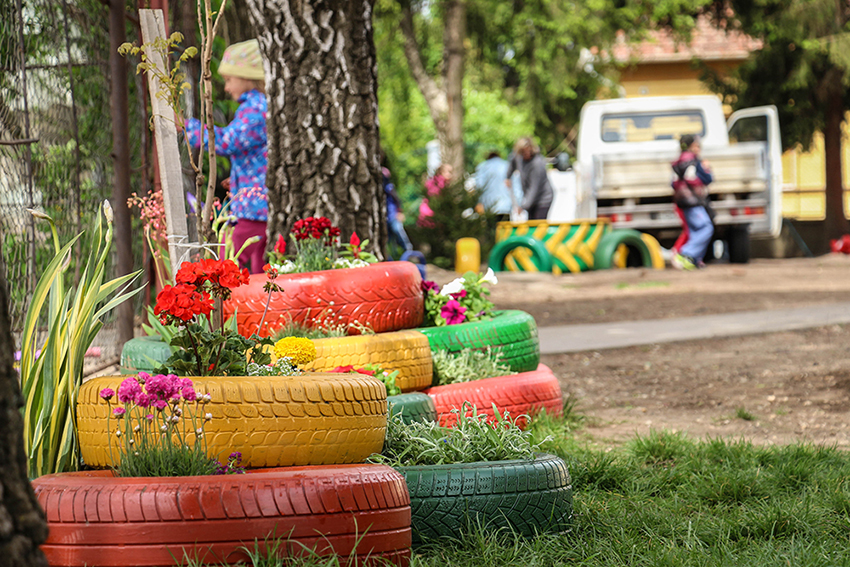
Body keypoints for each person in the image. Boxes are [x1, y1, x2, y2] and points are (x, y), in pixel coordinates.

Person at [184, 39, 269, 274]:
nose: (227, 88)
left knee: (226, 264)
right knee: (258, 266)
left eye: (230, 80)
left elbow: (225, 142)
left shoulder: (255, 109)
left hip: (254, 208)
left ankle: (230, 308)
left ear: (248, 78)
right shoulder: (258, 106)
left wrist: (187, 128)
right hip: (256, 205)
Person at [671, 134, 714, 270]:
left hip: (683, 200)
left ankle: (693, 260)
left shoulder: (679, 160)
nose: (699, 148)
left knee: (694, 231)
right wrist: (706, 172)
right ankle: (686, 254)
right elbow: (693, 178)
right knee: (706, 227)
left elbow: (673, 182)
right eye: (697, 145)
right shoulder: (691, 161)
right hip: (692, 201)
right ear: (691, 146)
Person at [505, 137, 553, 221]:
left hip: (543, 198)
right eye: (523, 152)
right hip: (530, 198)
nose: (525, 154)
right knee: (531, 223)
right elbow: (513, 162)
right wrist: (508, 177)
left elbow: (534, 188)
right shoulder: (520, 158)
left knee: (537, 224)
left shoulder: (537, 164)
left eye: (527, 151)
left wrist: (523, 207)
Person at [474, 151, 523, 222]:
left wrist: (479, 201)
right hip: (505, 206)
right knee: (504, 230)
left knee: (491, 230)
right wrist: (518, 203)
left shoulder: (483, 167)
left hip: (489, 206)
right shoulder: (507, 166)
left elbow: (479, 186)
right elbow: (516, 186)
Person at [383, 166, 412, 258]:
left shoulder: (389, 187)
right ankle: (392, 256)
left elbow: (397, 199)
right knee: (389, 239)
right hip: (385, 218)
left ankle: (408, 249)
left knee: (398, 231)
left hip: (393, 215)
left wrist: (399, 212)